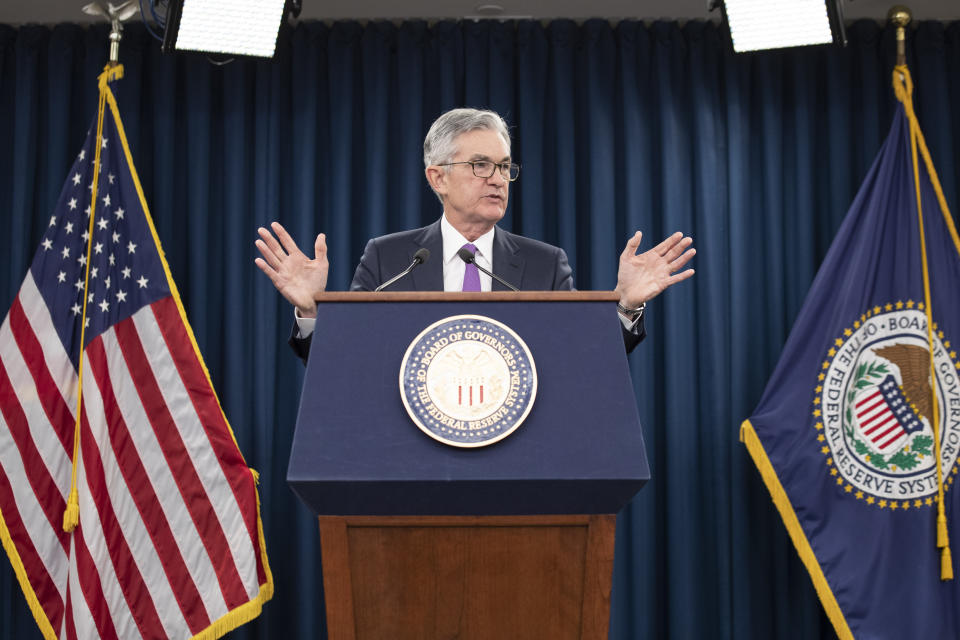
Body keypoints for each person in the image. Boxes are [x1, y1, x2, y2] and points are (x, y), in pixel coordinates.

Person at [254, 108, 695, 361]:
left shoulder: (545, 263)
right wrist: (312, 311)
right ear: (437, 177)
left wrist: (625, 306)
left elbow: (581, 360)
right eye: (481, 165)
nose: (498, 178)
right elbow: (346, 362)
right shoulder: (389, 259)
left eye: (504, 167)